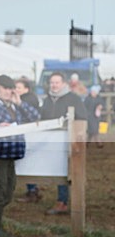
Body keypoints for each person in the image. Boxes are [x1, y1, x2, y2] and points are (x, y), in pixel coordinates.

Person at [0, 75, 40, 237]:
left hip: (10, 153)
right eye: (6, 88)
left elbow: (35, 116)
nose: (9, 92)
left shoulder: (12, 104)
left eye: (10, 88)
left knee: (8, 188)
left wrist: (19, 103)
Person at [41, 72, 87, 215]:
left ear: (64, 83)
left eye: (57, 82)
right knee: (59, 171)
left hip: (70, 140)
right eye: (52, 82)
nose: (54, 85)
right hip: (52, 140)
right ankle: (62, 201)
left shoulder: (73, 98)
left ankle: (70, 202)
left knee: (72, 172)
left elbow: (82, 117)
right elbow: (43, 117)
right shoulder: (48, 99)